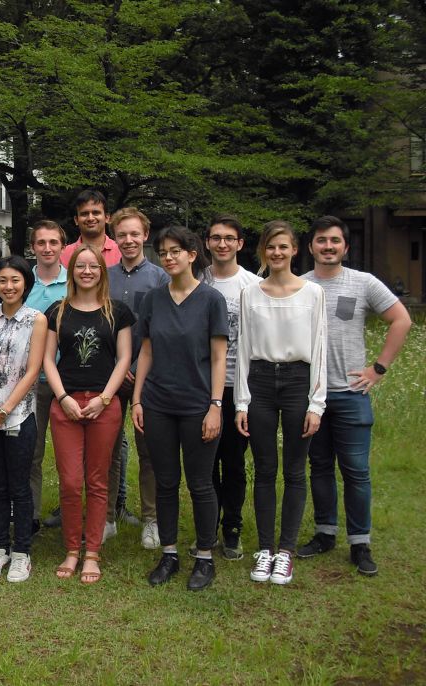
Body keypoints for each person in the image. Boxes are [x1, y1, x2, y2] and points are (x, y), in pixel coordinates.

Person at [298, 216, 411, 576]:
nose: (327, 247)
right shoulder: (300, 286)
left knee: (356, 472)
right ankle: (324, 532)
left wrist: (377, 369)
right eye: (321, 241)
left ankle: (360, 542)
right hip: (312, 396)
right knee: (319, 467)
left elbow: (401, 320)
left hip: (351, 394)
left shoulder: (364, 283)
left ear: (346, 247)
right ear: (311, 246)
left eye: (335, 241)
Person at [131, 226, 227, 591]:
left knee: (201, 483)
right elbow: (147, 351)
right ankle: (168, 553)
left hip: (197, 406)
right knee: (166, 482)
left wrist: (215, 406)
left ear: (192, 254)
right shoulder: (154, 299)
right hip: (158, 404)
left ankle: (204, 557)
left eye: (176, 251)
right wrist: (138, 398)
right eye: (164, 252)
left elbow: (219, 357)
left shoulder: (211, 300)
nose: (169, 257)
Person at [234, 220, 327, 585]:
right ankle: (265, 549)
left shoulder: (312, 293)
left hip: (296, 382)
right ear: (262, 251)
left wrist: (316, 405)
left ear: (294, 250)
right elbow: (242, 349)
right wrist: (241, 401)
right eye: (270, 247)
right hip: (259, 380)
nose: (276, 253)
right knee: (264, 469)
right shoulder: (250, 293)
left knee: (293, 470)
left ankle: (285, 552)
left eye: (283, 247)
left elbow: (319, 348)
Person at [44, 246, 134, 584]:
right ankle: (71, 548)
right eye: (80, 266)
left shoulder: (118, 312)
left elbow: (124, 359)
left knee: (97, 481)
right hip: (66, 403)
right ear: (72, 272)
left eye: (92, 265)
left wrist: (106, 398)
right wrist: (62, 396)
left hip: (103, 403)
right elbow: (48, 359)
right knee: (69, 481)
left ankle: (92, 552)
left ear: (102, 270)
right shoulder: (59, 310)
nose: (86, 271)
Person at [0, 256, 47, 582]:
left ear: (25, 284)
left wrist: (4, 411)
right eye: (3, 280)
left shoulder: (37, 320)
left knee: (19, 486)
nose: (9, 286)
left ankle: (22, 552)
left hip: (18, 416)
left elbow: (33, 370)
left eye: (15, 280)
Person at [105, 208, 169, 549]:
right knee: (109, 450)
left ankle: (151, 520)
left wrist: (136, 373)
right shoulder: (104, 274)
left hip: (149, 376)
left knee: (149, 451)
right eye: (122, 234)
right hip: (111, 377)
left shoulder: (160, 277)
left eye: (134, 234)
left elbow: (162, 328)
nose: (128, 240)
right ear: (114, 237)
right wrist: (118, 371)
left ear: (145, 235)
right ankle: (108, 518)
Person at [202, 215, 261, 559]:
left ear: (240, 244)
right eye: (215, 238)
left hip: (240, 389)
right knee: (205, 465)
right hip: (203, 388)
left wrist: (247, 398)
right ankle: (208, 528)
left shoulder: (253, 285)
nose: (222, 244)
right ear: (207, 243)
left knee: (235, 463)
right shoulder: (197, 281)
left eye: (229, 238)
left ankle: (232, 529)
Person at [23, 221, 68, 532]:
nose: (48, 248)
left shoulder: (76, 281)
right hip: (31, 381)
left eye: (54, 242)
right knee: (32, 452)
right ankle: (31, 515)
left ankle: (70, 514)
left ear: (63, 245)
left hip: (69, 381)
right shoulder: (24, 282)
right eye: (41, 242)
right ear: (33, 247)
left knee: (70, 457)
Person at [60, 189, 121, 269]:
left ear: (107, 217)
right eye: (84, 214)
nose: (90, 218)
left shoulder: (121, 252)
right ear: (76, 220)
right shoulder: (63, 255)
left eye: (96, 213)